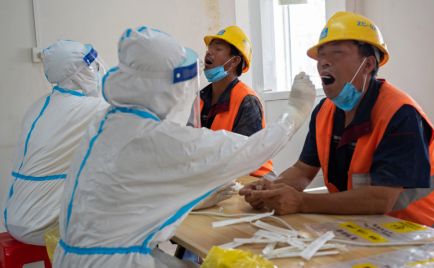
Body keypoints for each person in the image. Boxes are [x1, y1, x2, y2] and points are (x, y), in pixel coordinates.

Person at [52, 26, 315, 267]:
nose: (209, 54)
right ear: (166, 87)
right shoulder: (154, 135)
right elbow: (243, 149)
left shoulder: (107, 120)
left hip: (81, 255)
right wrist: (293, 115)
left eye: (218, 48)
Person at [240, 11, 434, 231]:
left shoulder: (401, 114)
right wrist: (271, 189)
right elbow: (303, 171)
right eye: (320, 56)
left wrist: (301, 202)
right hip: (363, 230)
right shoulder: (324, 112)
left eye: (336, 54)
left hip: (419, 237)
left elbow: (381, 198)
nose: (323, 63)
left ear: (368, 64)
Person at [2, 40, 109, 245]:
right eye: (91, 66)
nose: (96, 71)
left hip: (15, 217)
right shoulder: (90, 109)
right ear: (78, 73)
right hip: (41, 225)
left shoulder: (39, 105)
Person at [195, 25, 275, 180]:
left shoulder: (247, 100)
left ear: (234, 62)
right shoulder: (201, 98)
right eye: (209, 49)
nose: (209, 52)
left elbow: (244, 158)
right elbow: (190, 143)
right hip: (219, 176)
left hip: (255, 179)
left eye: (217, 49)